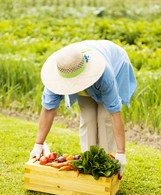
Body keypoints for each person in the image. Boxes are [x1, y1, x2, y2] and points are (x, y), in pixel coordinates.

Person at [30, 40, 137, 178]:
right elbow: (48, 110)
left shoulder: (105, 75)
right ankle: (89, 162)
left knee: (104, 118)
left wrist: (121, 154)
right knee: (88, 117)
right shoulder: (61, 70)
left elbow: (114, 114)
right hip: (82, 69)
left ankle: (105, 163)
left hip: (115, 65)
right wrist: (38, 144)